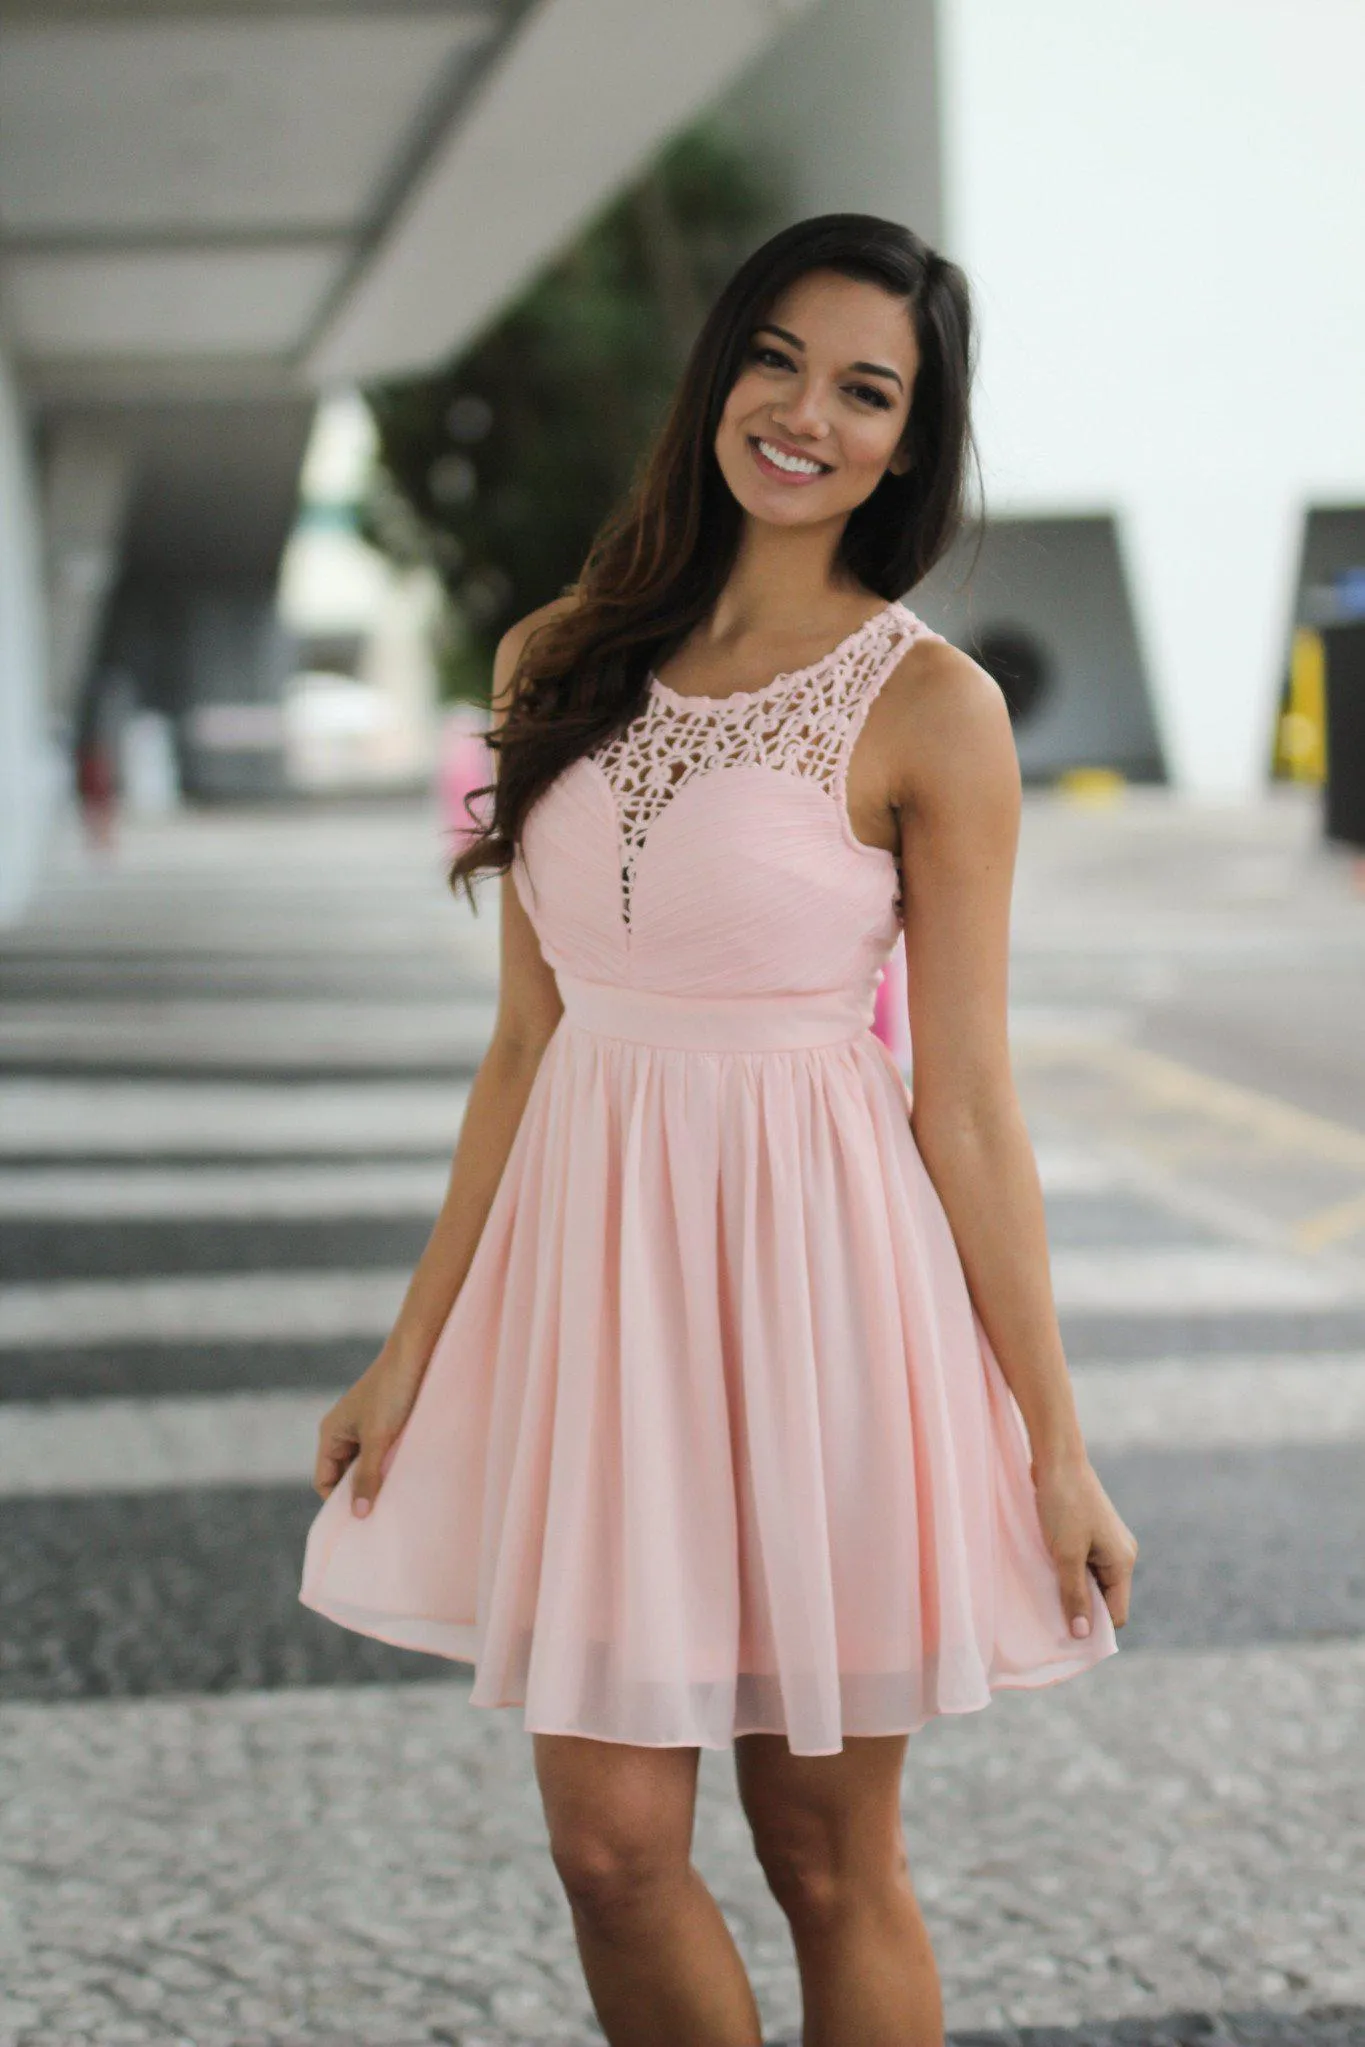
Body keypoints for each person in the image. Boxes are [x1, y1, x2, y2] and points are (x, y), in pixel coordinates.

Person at [300, 213, 1138, 2047]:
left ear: (908, 441)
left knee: (827, 1859)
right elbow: (523, 1047)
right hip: (600, 1315)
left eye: (867, 390)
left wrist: (1054, 1440)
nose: (807, 414)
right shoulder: (557, 657)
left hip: (827, 1301)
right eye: (780, 359)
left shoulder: (935, 706)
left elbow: (972, 1100)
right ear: (720, 375)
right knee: (610, 1848)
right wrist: (409, 1348)